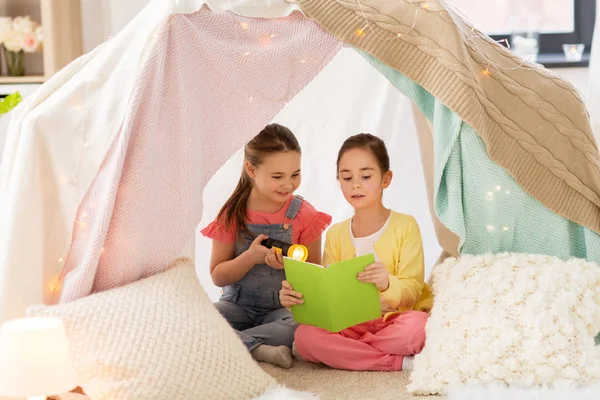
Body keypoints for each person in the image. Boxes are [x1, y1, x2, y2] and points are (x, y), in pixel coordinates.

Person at [280, 133, 433, 371]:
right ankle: (397, 361)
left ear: (386, 179)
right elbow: (329, 295)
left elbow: (412, 290)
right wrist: (295, 300)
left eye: (366, 176)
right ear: (339, 181)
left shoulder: (406, 225)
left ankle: (346, 352)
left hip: (394, 320)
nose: (356, 185)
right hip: (351, 325)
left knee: (419, 328)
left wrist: (387, 284)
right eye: (347, 177)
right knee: (305, 336)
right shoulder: (336, 234)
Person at [201, 123, 331, 368]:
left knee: (301, 328)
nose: (288, 184)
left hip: (282, 309)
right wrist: (250, 257)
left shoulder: (305, 214)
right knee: (199, 318)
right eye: (277, 176)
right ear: (251, 169)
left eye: (295, 174)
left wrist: (292, 269)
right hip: (236, 304)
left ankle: (237, 343)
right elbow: (218, 276)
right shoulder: (231, 215)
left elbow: (314, 278)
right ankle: (259, 349)